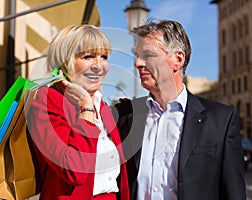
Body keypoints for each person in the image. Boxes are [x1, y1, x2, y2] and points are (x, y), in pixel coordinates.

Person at [111, 19, 246, 200]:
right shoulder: (124, 115)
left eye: (148, 55)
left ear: (178, 59)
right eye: (137, 56)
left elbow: (233, 192)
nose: (137, 64)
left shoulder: (221, 120)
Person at [26, 24, 129, 200]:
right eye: (88, 56)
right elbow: (74, 171)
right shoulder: (47, 100)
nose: (99, 66)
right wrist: (86, 109)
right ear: (65, 62)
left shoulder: (102, 106)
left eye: (103, 57)